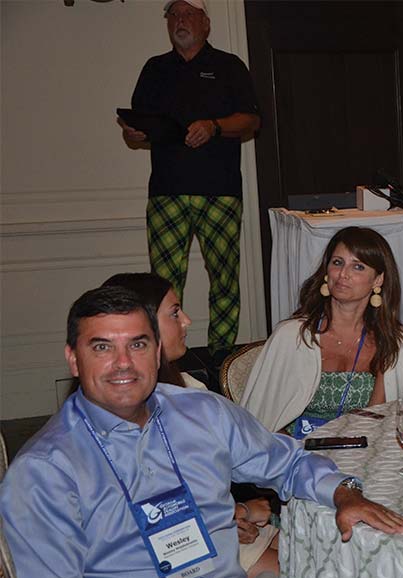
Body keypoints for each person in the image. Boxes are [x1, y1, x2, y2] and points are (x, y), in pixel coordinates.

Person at [0, 286, 403, 578]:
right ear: (73, 358)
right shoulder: (45, 469)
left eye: (137, 344)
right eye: (102, 347)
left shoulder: (201, 413)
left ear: (157, 352)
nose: (123, 363)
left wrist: (344, 492)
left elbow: (289, 461)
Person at [104, 272, 279, 578]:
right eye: (174, 313)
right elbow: (142, 513)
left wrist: (234, 514)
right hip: (170, 557)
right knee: (312, 576)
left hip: (211, 529)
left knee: (316, 548)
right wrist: (238, 513)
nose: (186, 321)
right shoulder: (120, 413)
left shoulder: (187, 388)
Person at [118, 0, 261, 362]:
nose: (180, 21)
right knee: (162, 288)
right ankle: (166, 365)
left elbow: (251, 120)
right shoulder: (155, 69)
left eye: (188, 14)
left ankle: (221, 363)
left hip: (220, 194)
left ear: (205, 23)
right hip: (166, 194)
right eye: (173, 15)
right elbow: (139, 122)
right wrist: (134, 133)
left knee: (225, 281)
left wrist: (214, 127)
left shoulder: (229, 66)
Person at [241, 227, 403, 433]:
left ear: (378, 279)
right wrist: (294, 450)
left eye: (358, 267)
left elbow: (382, 421)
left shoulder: (394, 342)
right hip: (292, 447)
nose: (343, 274)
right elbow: (260, 421)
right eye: (337, 262)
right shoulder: (292, 337)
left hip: (361, 446)